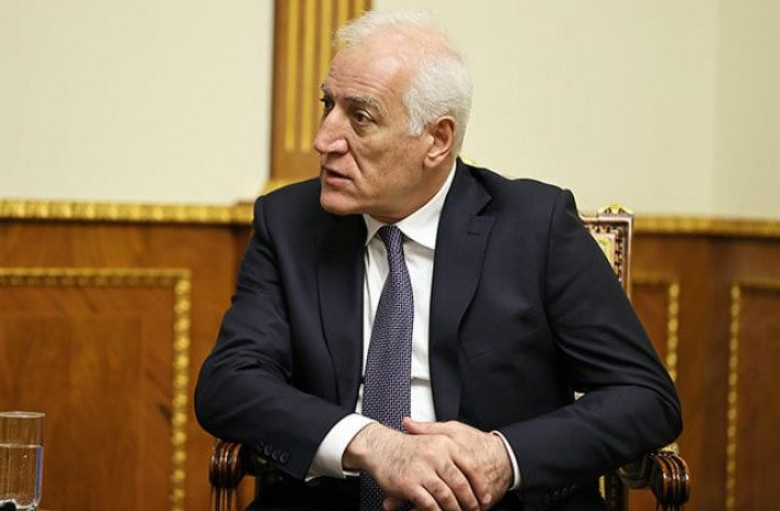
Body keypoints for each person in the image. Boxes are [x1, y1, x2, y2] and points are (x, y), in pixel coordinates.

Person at [195, 10, 681, 511]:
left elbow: (645, 397)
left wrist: (503, 457)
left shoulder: (535, 226)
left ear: (437, 140)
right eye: (328, 105)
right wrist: (371, 444)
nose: (324, 140)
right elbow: (228, 382)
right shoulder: (289, 222)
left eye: (360, 117)